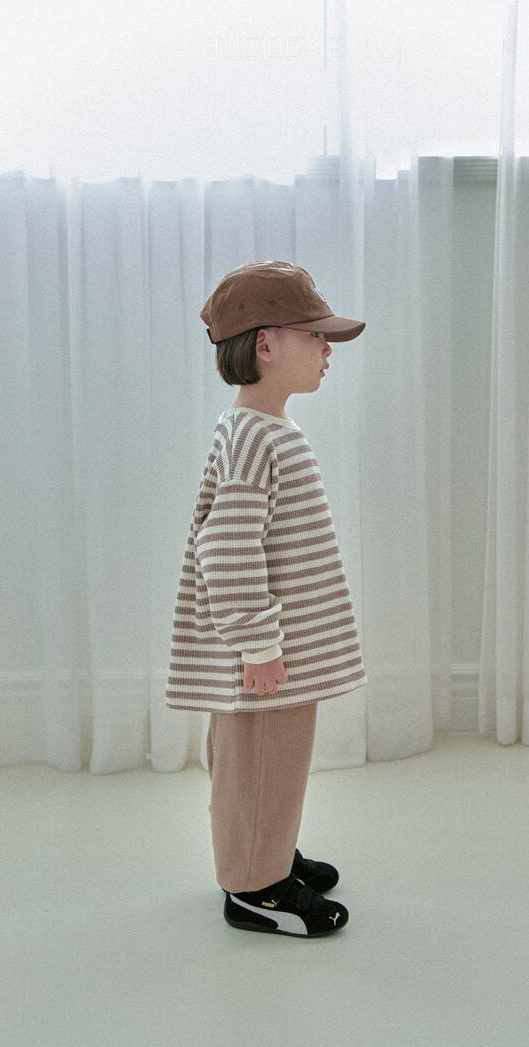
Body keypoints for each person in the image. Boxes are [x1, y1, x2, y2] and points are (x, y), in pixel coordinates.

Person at [165, 260, 367, 937]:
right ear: (265, 344)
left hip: (280, 649)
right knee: (256, 761)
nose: (328, 348)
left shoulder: (266, 429)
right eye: (314, 335)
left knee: (274, 762)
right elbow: (226, 547)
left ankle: (268, 849)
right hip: (265, 655)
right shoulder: (254, 435)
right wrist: (257, 643)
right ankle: (256, 885)